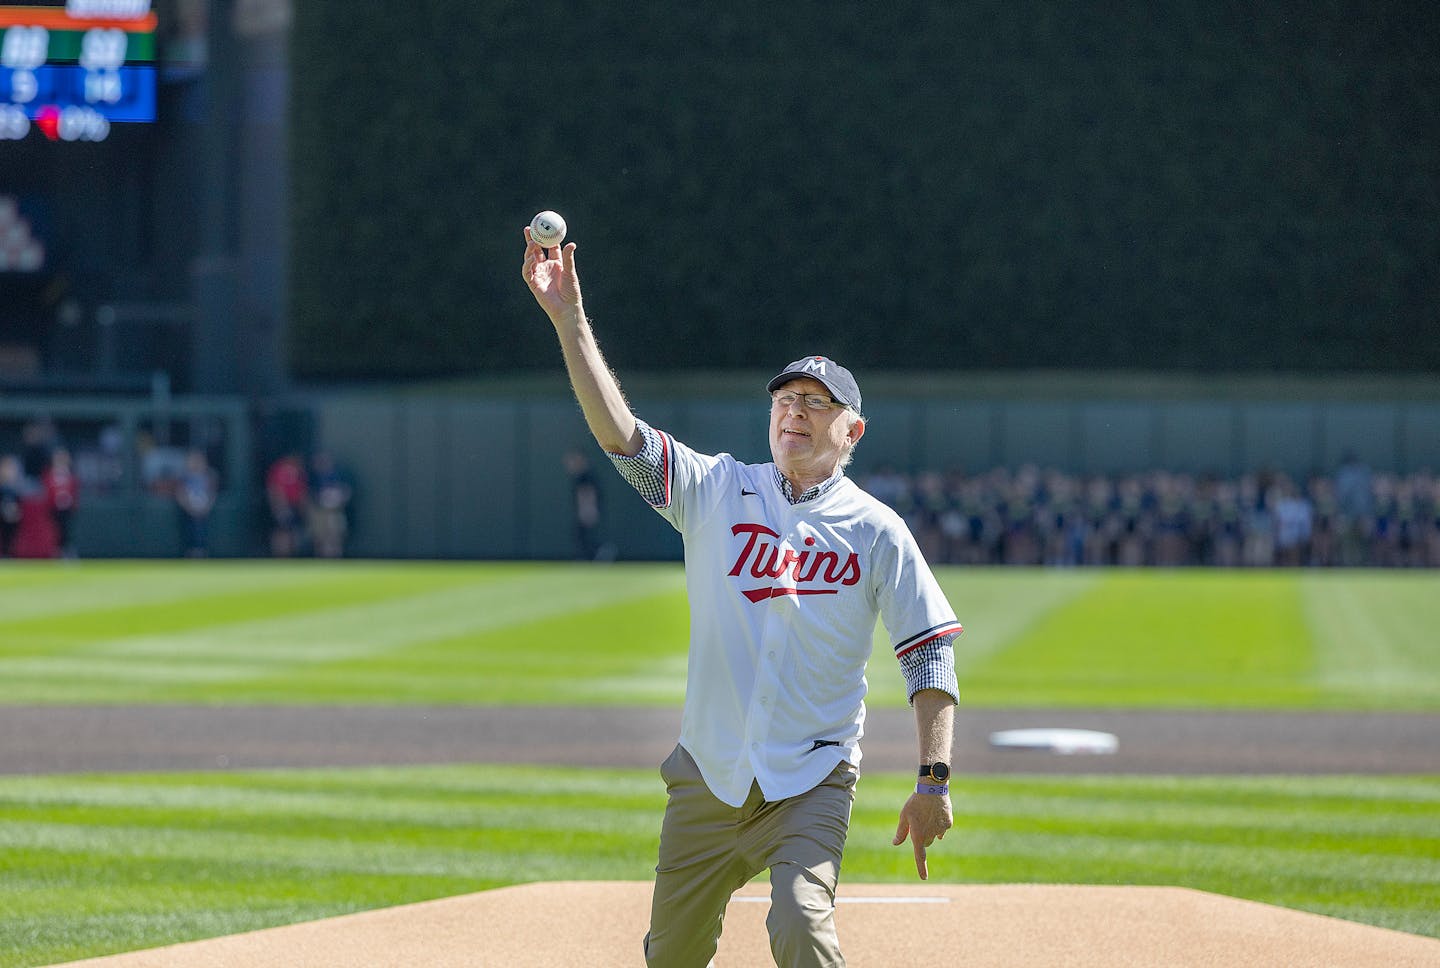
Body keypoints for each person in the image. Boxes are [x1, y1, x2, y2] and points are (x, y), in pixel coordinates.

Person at [523, 226, 963, 967]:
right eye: (787, 397)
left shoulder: (875, 530)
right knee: (672, 955)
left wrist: (933, 780)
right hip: (708, 772)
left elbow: (928, 654)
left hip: (812, 778)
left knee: (798, 922)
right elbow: (622, 438)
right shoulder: (717, 489)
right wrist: (569, 320)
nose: (796, 411)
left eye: (817, 404)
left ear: (852, 429)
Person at [307, 451, 353, 558]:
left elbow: (347, 492)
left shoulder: (340, 475)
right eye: (318, 461)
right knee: (319, 537)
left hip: (335, 511)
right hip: (318, 511)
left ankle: (336, 559)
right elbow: (309, 495)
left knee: (335, 536)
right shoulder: (313, 477)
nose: (321, 463)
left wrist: (337, 501)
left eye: (324, 461)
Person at [175, 449, 219, 558]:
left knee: (201, 531)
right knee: (190, 530)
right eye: (193, 461)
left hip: (203, 510)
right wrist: (188, 507)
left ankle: (200, 551)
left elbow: (212, 492)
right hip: (189, 510)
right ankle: (191, 551)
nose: (196, 463)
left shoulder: (208, 476)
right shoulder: (184, 477)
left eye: (199, 461)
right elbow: (180, 493)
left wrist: (206, 507)